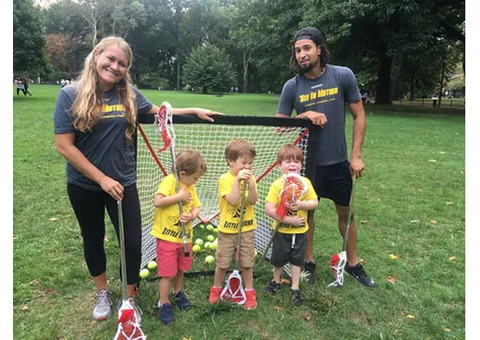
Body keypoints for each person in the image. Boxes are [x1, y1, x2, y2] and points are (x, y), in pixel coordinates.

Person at [53, 36, 222, 322]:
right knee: (92, 238)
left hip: (123, 183)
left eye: (122, 64)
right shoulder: (70, 94)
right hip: (85, 185)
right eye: (110, 59)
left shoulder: (127, 93)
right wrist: (101, 179)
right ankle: (103, 291)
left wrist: (191, 111)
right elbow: (64, 145)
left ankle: (128, 298)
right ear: (97, 55)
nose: (115, 66)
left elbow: (158, 113)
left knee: (131, 242)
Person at [275, 27, 375, 287]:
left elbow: (359, 115)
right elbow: (278, 125)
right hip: (307, 167)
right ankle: (308, 264)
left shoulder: (342, 76)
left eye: (307, 48)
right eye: (297, 50)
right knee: (307, 216)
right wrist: (304, 115)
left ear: (320, 49)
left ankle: (352, 264)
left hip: (339, 162)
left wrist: (356, 156)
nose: (302, 55)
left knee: (346, 213)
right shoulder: (292, 86)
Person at [152, 150, 206, 325]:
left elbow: (197, 207)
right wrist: (179, 197)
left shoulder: (191, 187)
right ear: (182, 174)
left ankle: (178, 292)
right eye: (195, 178)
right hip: (167, 238)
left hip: (185, 238)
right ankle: (164, 302)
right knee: (167, 273)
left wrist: (192, 216)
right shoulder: (170, 182)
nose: (196, 181)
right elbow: (158, 201)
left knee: (180, 269)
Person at [208, 139, 259, 309]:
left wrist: (251, 185)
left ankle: (250, 291)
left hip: (247, 228)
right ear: (230, 161)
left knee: (247, 262)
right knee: (222, 262)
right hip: (228, 230)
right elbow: (233, 201)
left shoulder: (251, 179)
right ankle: (216, 288)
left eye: (250, 163)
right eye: (243, 163)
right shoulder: (225, 179)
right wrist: (237, 182)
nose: (247, 167)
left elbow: (253, 200)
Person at [264, 144, 318, 306]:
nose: (293, 164)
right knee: (278, 259)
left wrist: (301, 205)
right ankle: (276, 280)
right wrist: (289, 220)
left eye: (297, 161)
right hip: (281, 231)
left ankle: (295, 287)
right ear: (279, 165)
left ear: (302, 164)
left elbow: (314, 202)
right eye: (288, 161)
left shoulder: (305, 183)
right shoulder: (277, 185)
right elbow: (269, 209)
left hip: (301, 232)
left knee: (297, 260)